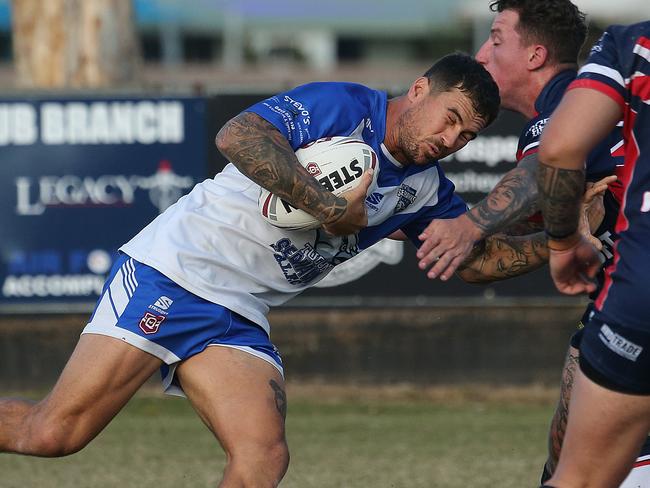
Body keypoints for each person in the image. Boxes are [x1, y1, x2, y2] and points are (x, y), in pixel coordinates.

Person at [0, 53, 509, 486]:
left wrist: (574, 239)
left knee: (263, 458)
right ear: (420, 90)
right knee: (52, 434)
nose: (451, 139)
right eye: (450, 117)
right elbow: (239, 135)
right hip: (177, 271)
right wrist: (332, 208)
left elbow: (475, 262)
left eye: (466, 135)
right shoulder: (346, 107)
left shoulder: (425, 188)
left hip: (239, 311)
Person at [413, 2, 650, 485]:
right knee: (565, 457)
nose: (481, 53)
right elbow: (496, 253)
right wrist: (410, 220)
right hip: (618, 301)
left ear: (536, 54)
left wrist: (470, 226)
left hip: (634, 304)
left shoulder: (577, 96)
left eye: (497, 39)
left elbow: (549, 164)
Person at [536, 20, 650, 487]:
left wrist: (563, 243)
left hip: (642, 294)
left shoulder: (635, 44)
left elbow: (561, 148)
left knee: (579, 477)